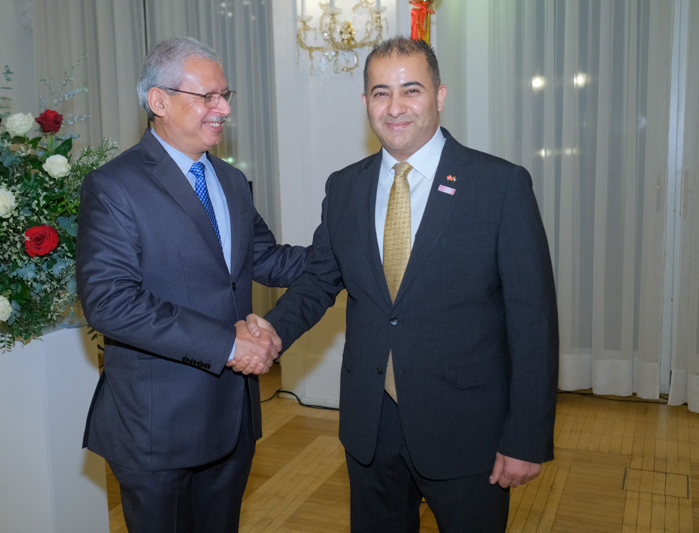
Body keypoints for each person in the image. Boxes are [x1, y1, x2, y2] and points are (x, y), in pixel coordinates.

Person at [251, 37, 558, 532]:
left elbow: (533, 320)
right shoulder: (344, 187)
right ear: (366, 102)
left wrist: (526, 437)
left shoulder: (499, 186)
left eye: (411, 90)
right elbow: (318, 281)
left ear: (439, 96)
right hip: (372, 426)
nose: (395, 107)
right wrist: (269, 333)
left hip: (466, 428)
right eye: (381, 92)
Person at [76, 36, 309, 533]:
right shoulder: (114, 186)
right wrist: (228, 343)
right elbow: (110, 303)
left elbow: (264, 259)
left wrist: (357, 256)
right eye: (208, 97)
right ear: (158, 101)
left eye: (225, 95)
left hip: (231, 416)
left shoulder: (230, 181)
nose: (224, 109)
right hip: (158, 425)